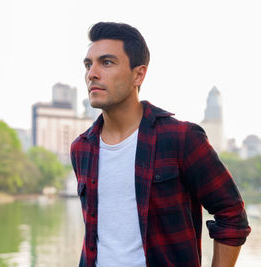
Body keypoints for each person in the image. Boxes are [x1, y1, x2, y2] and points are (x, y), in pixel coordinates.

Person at [70, 22, 251, 267]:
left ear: (139, 74)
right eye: (88, 64)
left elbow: (231, 214)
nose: (92, 73)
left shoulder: (180, 138)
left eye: (107, 62)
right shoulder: (81, 148)